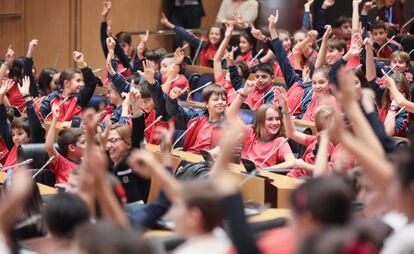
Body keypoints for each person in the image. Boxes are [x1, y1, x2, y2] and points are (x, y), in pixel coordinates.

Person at [227, 82, 295, 169]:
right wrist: (242, 95)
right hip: (241, 175)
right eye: (270, 119)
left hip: (262, 179)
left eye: (277, 119)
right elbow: (230, 115)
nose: (275, 123)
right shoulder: (250, 132)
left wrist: (264, 170)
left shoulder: (279, 141)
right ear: (260, 121)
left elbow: (292, 162)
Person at [166, 84, 227, 154]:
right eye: (216, 99)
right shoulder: (197, 117)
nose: (221, 102)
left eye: (223, 99)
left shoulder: (228, 124)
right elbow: (175, 112)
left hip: (209, 162)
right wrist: (172, 99)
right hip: (190, 157)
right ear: (206, 104)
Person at [39, 51, 98, 122]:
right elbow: (40, 118)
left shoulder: (80, 98)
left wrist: (82, 64)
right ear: (66, 83)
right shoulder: (51, 98)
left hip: (73, 132)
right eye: (78, 81)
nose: (81, 84)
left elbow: (91, 83)